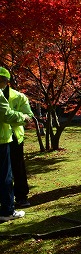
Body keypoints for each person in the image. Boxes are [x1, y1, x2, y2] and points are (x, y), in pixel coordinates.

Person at [0, 67, 31, 222]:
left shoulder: (19, 97)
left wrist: (24, 118)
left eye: (3, 79)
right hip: (3, 137)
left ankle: (21, 196)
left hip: (14, 136)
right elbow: (7, 115)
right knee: (5, 173)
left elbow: (29, 115)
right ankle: (6, 205)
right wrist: (21, 117)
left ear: (8, 81)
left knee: (17, 167)